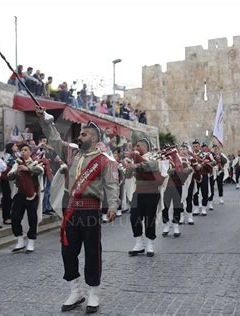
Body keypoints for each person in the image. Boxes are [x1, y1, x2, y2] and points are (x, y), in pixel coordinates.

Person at [37, 108, 119, 314]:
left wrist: (113, 205)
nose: (79, 136)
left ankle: (93, 292)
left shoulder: (105, 160)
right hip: (72, 209)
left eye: (84, 134)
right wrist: (46, 122)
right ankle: (75, 290)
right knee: (68, 251)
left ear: (94, 137)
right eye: (80, 134)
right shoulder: (72, 153)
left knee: (92, 252)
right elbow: (55, 140)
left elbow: (112, 184)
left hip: (91, 210)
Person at [124, 138, 162, 257]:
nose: (136, 149)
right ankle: (139, 243)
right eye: (136, 146)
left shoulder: (154, 157)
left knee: (149, 218)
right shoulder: (134, 158)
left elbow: (152, 166)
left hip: (151, 191)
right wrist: (129, 166)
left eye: (138, 146)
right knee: (134, 217)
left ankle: (150, 244)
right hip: (138, 191)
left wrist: (136, 164)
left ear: (145, 147)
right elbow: (127, 175)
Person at [8, 144, 44, 253]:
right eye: (22, 150)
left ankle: (31, 241)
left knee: (32, 218)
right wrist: (15, 172)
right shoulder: (17, 163)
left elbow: (40, 171)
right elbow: (10, 176)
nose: (23, 152)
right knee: (15, 217)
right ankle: (19, 240)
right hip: (20, 194)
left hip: (33, 194)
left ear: (30, 152)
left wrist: (27, 168)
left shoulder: (36, 162)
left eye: (25, 150)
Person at [0, 143, 18, 225]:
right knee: (7, 198)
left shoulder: (14, 155)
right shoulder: (7, 156)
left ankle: (9, 215)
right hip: (6, 180)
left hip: (11, 180)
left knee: (11, 198)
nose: (16, 147)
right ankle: (6, 217)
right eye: (14, 146)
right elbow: (5, 167)